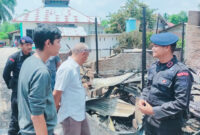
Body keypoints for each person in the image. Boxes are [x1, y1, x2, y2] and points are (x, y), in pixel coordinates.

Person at [138, 32, 193, 135]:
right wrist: (142, 98)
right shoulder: (154, 67)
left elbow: (181, 103)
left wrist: (154, 111)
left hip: (168, 125)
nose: (152, 48)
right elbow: (148, 87)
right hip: (149, 120)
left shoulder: (181, 72)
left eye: (155, 46)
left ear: (167, 47)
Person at [17, 24, 61, 135]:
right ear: (48, 43)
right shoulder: (41, 72)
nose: (60, 46)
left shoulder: (29, 61)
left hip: (27, 129)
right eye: (58, 42)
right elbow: (37, 115)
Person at [53, 43, 91, 135]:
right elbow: (57, 92)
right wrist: (53, 113)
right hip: (71, 115)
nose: (86, 60)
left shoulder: (75, 67)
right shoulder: (67, 68)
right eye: (86, 57)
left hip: (79, 112)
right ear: (83, 54)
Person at [3, 36, 33, 135]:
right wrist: (12, 85)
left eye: (30, 44)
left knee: (30, 117)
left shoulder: (33, 56)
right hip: (18, 93)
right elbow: (6, 74)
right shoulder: (14, 58)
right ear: (21, 46)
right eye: (27, 45)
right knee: (16, 118)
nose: (29, 47)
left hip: (30, 91)